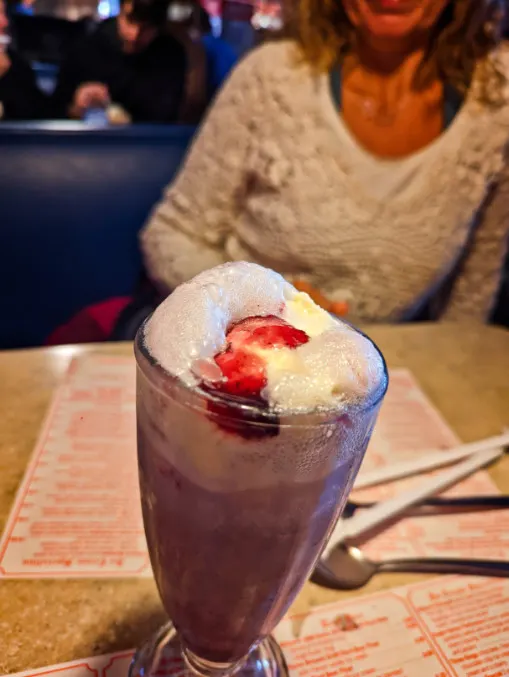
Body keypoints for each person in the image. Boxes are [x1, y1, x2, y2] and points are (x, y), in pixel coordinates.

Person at [141, 0, 509, 323]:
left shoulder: (497, 99)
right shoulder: (271, 76)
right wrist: (264, 305)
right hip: (240, 353)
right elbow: (169, 236)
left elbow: (469, 300)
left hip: (389, 374)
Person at [52, 0, 190, 123]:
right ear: (120, 11)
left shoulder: (170, 56)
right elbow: (54, 114)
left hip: (147, 147)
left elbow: (165, 120)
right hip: (85, 147)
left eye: (146, 28)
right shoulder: (85, 46)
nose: (134, 35)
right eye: (130, 20)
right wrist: (76, 106)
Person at [0, 0, 48, 119]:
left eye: (3, 13)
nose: (4, 22)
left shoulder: (16, 65)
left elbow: (41, 115)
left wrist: (75, 108)